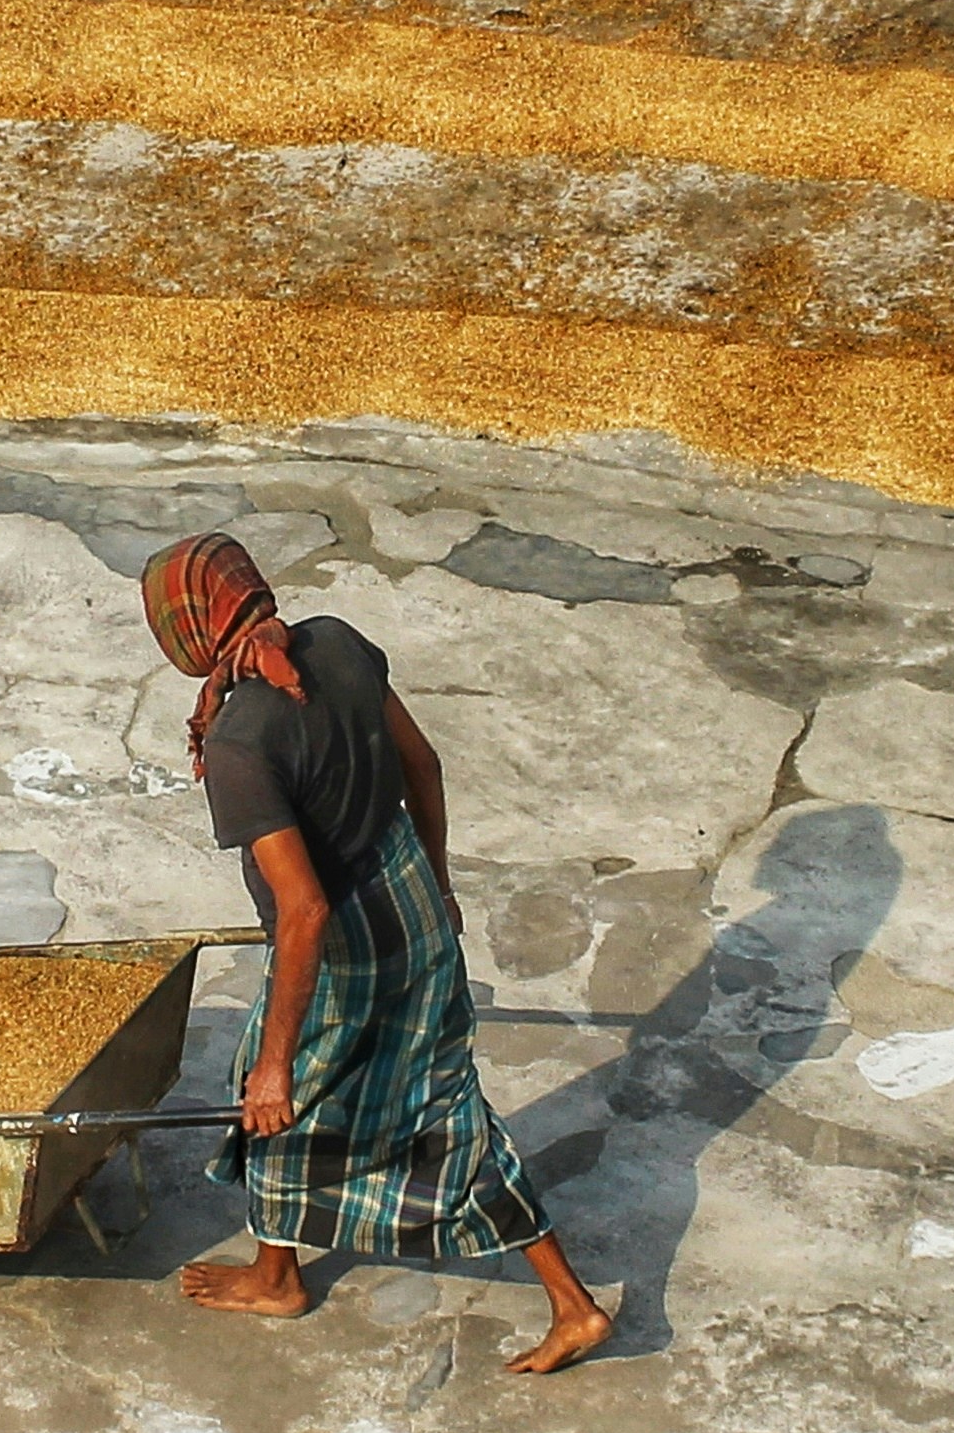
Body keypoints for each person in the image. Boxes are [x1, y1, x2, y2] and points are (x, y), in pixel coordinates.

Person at [138, 534, 609, 1374]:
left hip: (346, 943)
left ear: (192, 630)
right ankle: (284, 1272)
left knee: (276, 1100)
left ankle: (290, 1281)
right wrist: (439, 884)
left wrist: (277, 1064)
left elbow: (305, 909)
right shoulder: (336, 641)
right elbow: (422, 765)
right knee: (433, 1095)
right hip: (409, 895)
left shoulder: (241, 743)